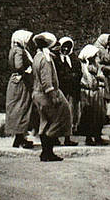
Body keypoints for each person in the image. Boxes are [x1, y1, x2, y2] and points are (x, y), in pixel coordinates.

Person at [31, 32, 72, 161]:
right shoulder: (45, 59)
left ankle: (45, 153)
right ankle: (48, 152)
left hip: (37, 93)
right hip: (46, 95)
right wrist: (53, 96)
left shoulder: (37, 56)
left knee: (45, 122)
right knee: (57, 120)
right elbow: (46, 81)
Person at [5, 29, 36, 149]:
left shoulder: (13, 49)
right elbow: (18, 66)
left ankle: (19, 138)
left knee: (18, 108)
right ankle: (20, 138)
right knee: (22, 108)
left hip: (16, 81)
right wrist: (27, 71)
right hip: (21, 83)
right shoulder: (19, 50)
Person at [77, 44, 108, 146]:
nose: (95, 57)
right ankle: (88, 137)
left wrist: (99, 78)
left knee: (98, 115)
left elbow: (101, 76)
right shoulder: (82, 66)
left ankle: (97, 136)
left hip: (96, 92)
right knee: (88, 115)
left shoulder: (96, 65)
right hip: (86, 92)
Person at [53, 37, 81, 146]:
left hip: (72, 91)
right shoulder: (56, 59)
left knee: (69, 114)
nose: (65, 49)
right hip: (61, 90)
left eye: (68, 47)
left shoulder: (74, 59)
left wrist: (72, 77)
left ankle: (67, 138)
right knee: (58, 114)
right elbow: (57, 75)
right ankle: (55, 137)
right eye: (64, 47)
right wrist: (68, 77)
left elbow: (79, 73)